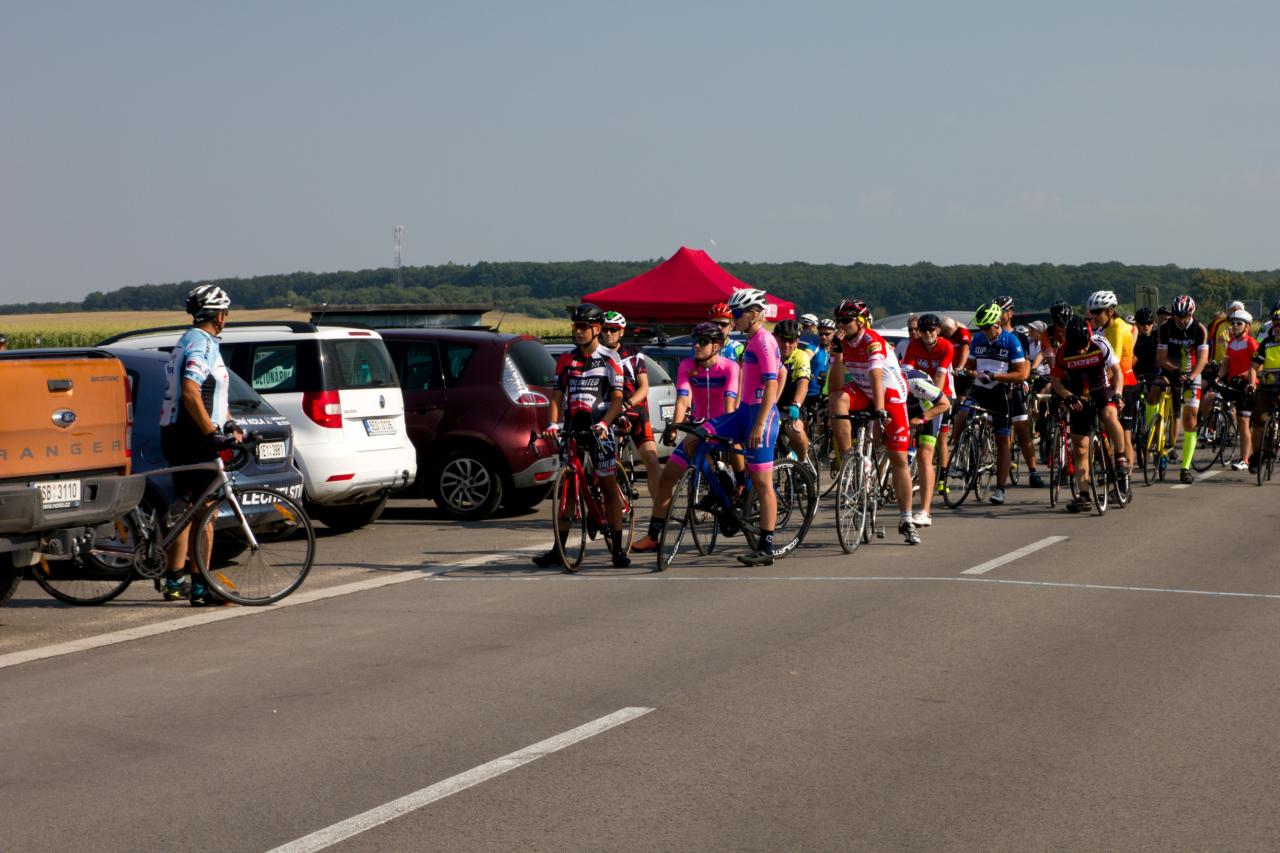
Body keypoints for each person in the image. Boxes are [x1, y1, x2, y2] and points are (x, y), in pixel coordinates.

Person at [635, 288, 782, 566]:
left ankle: (766, 546)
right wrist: (679, 425)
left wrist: (761, 423)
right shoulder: (750, 340)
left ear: (754, 314)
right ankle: (659, 531)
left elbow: (773, 382)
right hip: (743, 412)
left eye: (736, 313)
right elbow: (685, 398)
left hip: (759, 416)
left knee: (763, 483)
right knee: (698, 435)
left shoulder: (764, 340)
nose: (733, 319)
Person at [158, 285, 242, 606]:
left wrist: (229, 423)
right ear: (219, 316)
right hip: (192, 436)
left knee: (188, 509)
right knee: (207, 511)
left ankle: (174, 582)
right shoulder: (202, 344)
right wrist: (211, 434)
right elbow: (191, 391)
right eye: (225, 313)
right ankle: (202, 588)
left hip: (180, 432)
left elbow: (211, 396)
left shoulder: (188, 340)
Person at [533, 303, 631, 569]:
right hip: (573, 429)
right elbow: (557, 396)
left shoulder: (610, 358)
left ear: (597, 329)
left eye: (583, 326)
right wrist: (553, 423)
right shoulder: (566, 359)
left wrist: (605, 423)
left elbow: (617, 398)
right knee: (567, 490)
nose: (577, 331)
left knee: (608, 487)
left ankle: (617, 550)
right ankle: (558, 550)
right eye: (575, 326)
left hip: (600, 429)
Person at [828, 298, 919, 544]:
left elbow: (876, 376)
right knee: (836, 400)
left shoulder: (872, 341)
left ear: (860, 322)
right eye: (839, 321)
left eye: (846, 320)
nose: (841, 325)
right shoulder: (842, 342)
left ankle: (906, 519)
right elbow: (835, 385)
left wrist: (879, 411)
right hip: (863, 389)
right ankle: (851, 459)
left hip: (889, 394)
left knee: (898, 458)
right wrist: (837, 354)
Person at [1048, 316, 1127, 512]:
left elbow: (1117, 371)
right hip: (1078, 397)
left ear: (1090, 338)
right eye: (1076, 347)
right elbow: (1055, 382)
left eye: (1084, 346)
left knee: (1109, 415)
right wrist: (1068, 396)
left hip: (1101, 390)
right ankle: (1083, 496)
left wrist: (1118, 394)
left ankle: (1120, 457)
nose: (1081, 351)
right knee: (1080, 449)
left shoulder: (1100, 343)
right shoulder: (1063, 352)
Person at [962, 302, 1029, 506]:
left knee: (1002, 440)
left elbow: (1021, 374)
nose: (983, 331)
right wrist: (969, 372)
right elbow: (969, 366)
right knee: (961, 414)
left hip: (1001, 392)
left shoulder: (1012, 341)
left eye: (986, 327)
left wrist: (994, 376)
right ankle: (953, 462)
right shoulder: (978, 339)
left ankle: (1000, 488)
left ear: (997, 324)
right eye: (980, 328)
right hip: (980, 389)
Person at [599, 311, 662, 498]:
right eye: (605, 329)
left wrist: (626, 405)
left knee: (652, 460)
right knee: (608, 465)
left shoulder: (634, 353)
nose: (608, 333)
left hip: (635, 412)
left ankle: (659, 508)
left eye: (613, 329)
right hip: (608, 414)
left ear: (621, 332)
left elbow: (644, 388)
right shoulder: (596, 355)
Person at [1152, 294, 1209, 484]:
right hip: (1171, 369)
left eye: (1184, 317)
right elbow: (1161, 358)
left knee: (1190, 418)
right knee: (1154, 391)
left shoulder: (1199, 329)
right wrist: (1174, 371)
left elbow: (1203, 359)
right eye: (1177, 316)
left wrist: (1191, 377)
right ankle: (1149, 431)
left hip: (1192, 371)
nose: (1180, 320)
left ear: (1190, 314)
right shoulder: (1166, 328)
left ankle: (1185, 468)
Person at [995, 296, 1045, 487]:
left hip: (1014, 386)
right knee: (999, 433)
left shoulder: (1019, 336)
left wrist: (1021, 378)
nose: (997, 315)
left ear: (1010, 313)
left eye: (1000, 312)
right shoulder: (990, 334)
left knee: (1023, 430)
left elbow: (1025, 364)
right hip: (995, 388)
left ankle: (1033, 472)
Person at [1088, 290, 1139, 469]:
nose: (1093, 316)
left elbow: (1112, 367)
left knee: (1125, 436)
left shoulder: (1118, 329)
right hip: (1111, 383)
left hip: (1126, 385)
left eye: (1097, 312)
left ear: (1110, 311)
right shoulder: (1106, 328)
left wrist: (1092, 385)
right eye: (1092, 312)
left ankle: (1125, 478)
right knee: (1107, 428)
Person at [901, 313, 955, 478]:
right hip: (919, 391)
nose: (927, 333)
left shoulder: (946, 347)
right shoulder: (914, 345)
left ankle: (942, 478)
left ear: (938, 330)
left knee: (941, 438)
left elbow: (939, 377)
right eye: (923, 330)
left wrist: (932, 403)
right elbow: (906, 373)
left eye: (931, 329)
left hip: (942, 393)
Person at [667, 321, 740, 431]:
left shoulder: (730, 367)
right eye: (695, 341)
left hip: (721, 424)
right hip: (698, 423)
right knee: (685, 442)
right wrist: (673, 429)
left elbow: (729, 405)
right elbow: (682, 402)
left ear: (716, 346)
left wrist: (729, 431)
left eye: (702, 342)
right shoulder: (686, 366)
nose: (697, 345)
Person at [902, 367, 950, 527]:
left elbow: (944, 404)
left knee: (924, 456)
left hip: (929, 410)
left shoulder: (914, 383)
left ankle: (925, 512)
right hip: (904, 410)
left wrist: (922, 419)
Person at [1218, 309, 1258, 470]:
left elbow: (1258, 366)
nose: (1235, 326)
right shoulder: (1232, 343)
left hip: (1247, 384)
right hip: (1233, 383)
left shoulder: (1251, 343)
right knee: (1227, 410)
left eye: (1239, 323)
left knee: (1243, 421)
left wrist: (1244, 375)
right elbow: (1225, 364)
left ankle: (1245, 459)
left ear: (1247, 327)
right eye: (1233, 323)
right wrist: (1218, 377)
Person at [773, 320, 812, 463]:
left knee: (795, 429)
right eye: (783, 340)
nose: (787, 345)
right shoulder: (770, 355)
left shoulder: (800, 356)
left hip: (792, 404)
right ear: (775, 338)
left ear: (797, 342)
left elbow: (803, 382)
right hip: (771, 404)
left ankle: (803, 462)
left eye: (791, 341)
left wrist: (796, 404)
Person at [1249, 308, 1280, 471]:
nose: (1277, 328)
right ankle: (1256, 456)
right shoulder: (1266, 343)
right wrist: (1252, 383)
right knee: (1258, 422)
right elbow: (1253, 367)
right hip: (1267, 388)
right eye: (1275, 325)